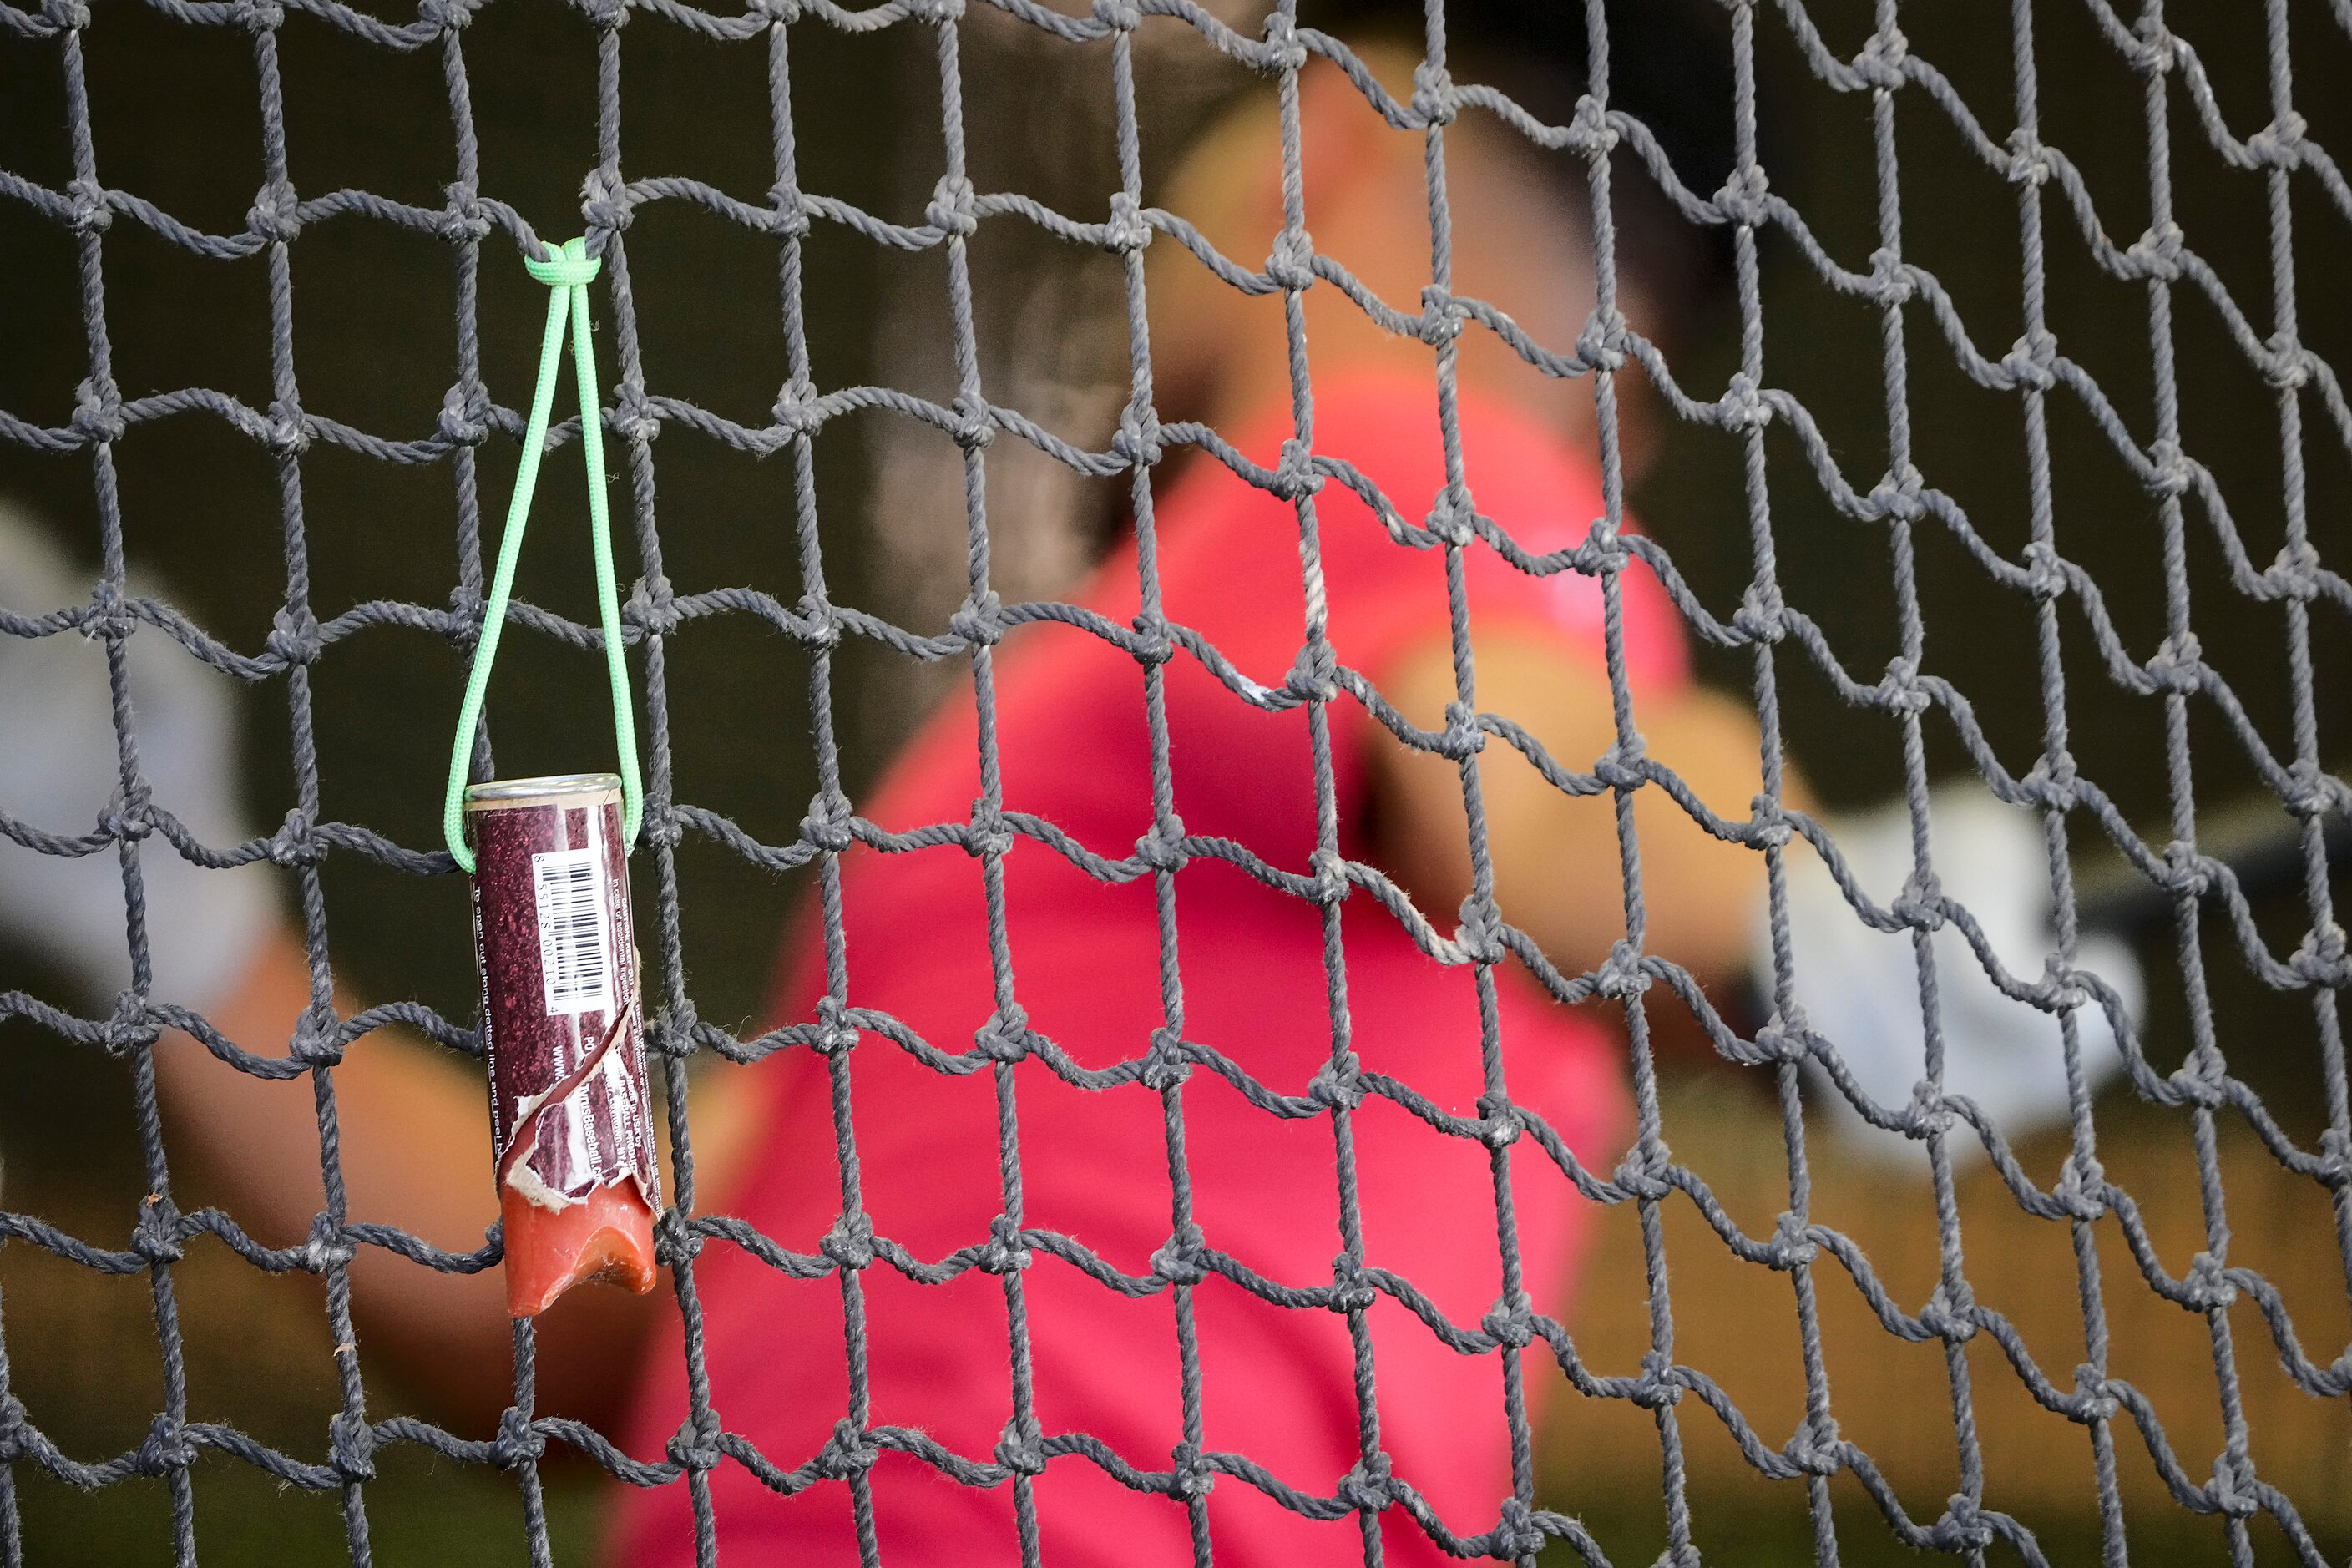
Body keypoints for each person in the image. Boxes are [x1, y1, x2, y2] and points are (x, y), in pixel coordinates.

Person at [0, 1, 2135, 1561]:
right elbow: (591, 1320)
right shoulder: (1087, 733)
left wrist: (1779, 902)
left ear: (1341, 134)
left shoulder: (1400, 453)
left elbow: (1537, 772)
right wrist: (175, 913)